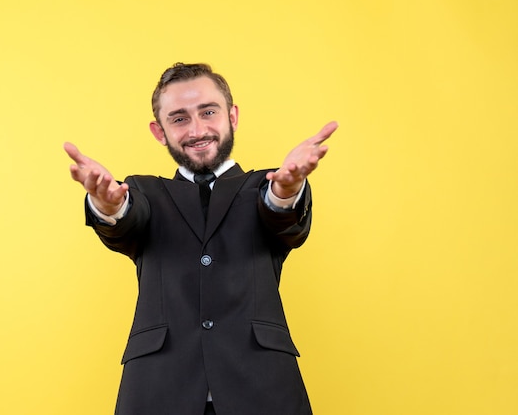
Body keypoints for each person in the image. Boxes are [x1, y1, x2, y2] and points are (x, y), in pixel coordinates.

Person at [64, 62, 338, 415]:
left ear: (233, 116)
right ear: (159, 131)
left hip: (263, 389)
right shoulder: (143, 192)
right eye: (179, 118)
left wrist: (285, 192)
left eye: (208, 112)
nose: (197, 129)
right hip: (158, 391)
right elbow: (126, 222)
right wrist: (108, 205)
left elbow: (281, 218)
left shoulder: (265, 187)